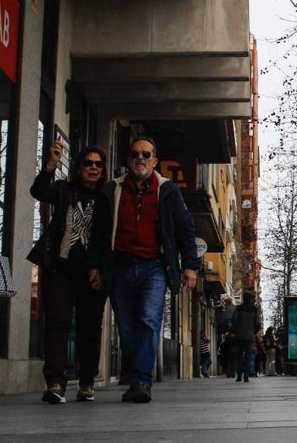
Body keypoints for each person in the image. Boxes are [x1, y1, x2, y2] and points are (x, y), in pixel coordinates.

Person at [90, 136, 199, 403]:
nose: (141, 158)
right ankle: (134, 375)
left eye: (146, 154)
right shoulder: (112, 190)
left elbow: (185, 230)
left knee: (149, 321)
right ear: (128, 160)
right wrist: (94, 265)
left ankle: (141, 381)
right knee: (127, 328)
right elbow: (99, 231)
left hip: (154, 268)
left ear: (154, 161)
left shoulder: (168, 191)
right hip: (119, 268)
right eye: (135, 154)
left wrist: (190, 266)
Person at [31, 140, 111, 404]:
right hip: (60, 269)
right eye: (88, 163)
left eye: (98, 164)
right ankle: (54, 382)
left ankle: (87, 381)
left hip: (92, 272)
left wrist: (99, 267)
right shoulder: (65, 190)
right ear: (79, 167)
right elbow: (39, 191)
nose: (93, 168)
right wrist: (50, 165)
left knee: (90, 327)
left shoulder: (107, 196)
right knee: (57, 323)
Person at [231, 291, 262, 382]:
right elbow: (258, 323)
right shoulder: (255, 309)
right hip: (249, 336)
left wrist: (236, 331)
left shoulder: (238, 308)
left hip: (239, 336)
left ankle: (239, 376)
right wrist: (253, 332)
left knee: (239, 356)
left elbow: (234, 321)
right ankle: (246, 376)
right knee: (248, 356)